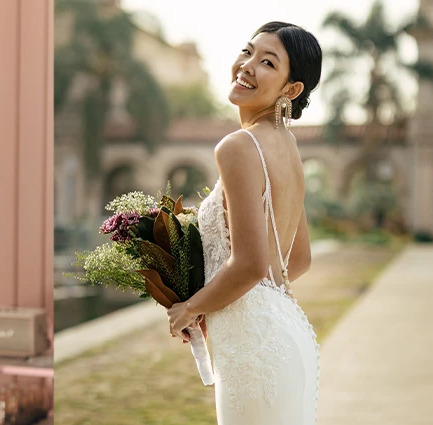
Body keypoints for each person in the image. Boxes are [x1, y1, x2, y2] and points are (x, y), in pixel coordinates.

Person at [165, 21, 323, 425]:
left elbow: (250, 265)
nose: (248, 65)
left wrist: (191, 307)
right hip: (288, 336)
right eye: (248, 51)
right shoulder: (289, 149)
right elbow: (298, 259)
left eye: (267, 62)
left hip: (253, 343)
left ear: (291, 90)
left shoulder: (238, 146)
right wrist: (220, 296)